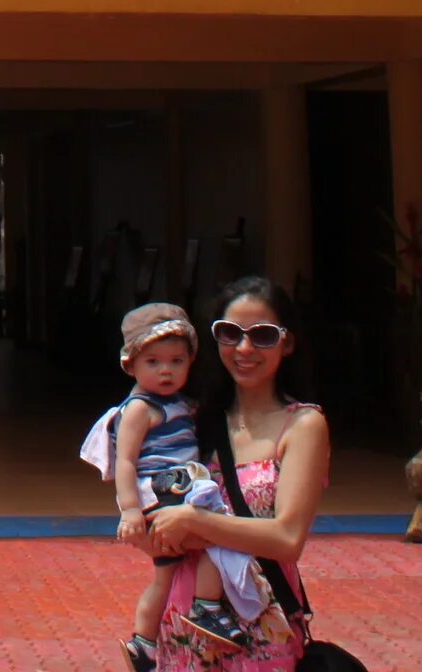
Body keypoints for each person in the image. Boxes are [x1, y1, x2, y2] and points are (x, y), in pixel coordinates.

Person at [127, 276, 330, 672]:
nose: (244, 348)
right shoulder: (192, 421)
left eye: (263, 335)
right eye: (230, 333)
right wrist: (148, 530)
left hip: (261, 628)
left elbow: (287, 539)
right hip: (184, 624)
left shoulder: (303, 425)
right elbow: (155, 513)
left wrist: (193, 521)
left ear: (287, 343)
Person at [80, 302, 263, 669]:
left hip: (178, 490)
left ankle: (143, 645)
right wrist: (131, 510)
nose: (166, 370)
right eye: (154, 362)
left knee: (163, 578)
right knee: (222, 535)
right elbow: (127, 461)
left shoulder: (178, 403)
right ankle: (206, 606)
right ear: (130, 364)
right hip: (164, 494)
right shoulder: (139, 409)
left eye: (176, 361)